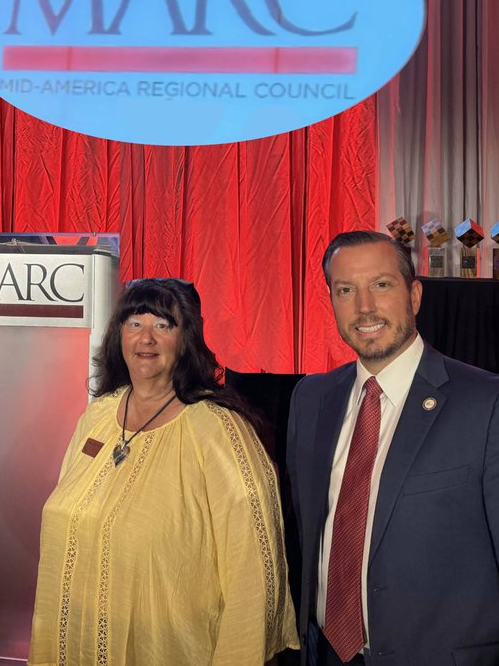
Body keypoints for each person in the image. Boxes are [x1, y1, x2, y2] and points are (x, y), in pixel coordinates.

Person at [286, 231, 499, 666]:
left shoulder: (494, 405)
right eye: (346, 290)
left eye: (381, 285)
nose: (364, 307)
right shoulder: (310, 398)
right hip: (328, 654)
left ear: (415, 294)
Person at [29, 278, 299, 665]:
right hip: (79, 642)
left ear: (186, 339)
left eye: (163, 325)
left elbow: (254, 570)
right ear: (118, 334)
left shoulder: (218, 430)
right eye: (135, 322)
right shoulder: (99, 416)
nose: (146, 338)